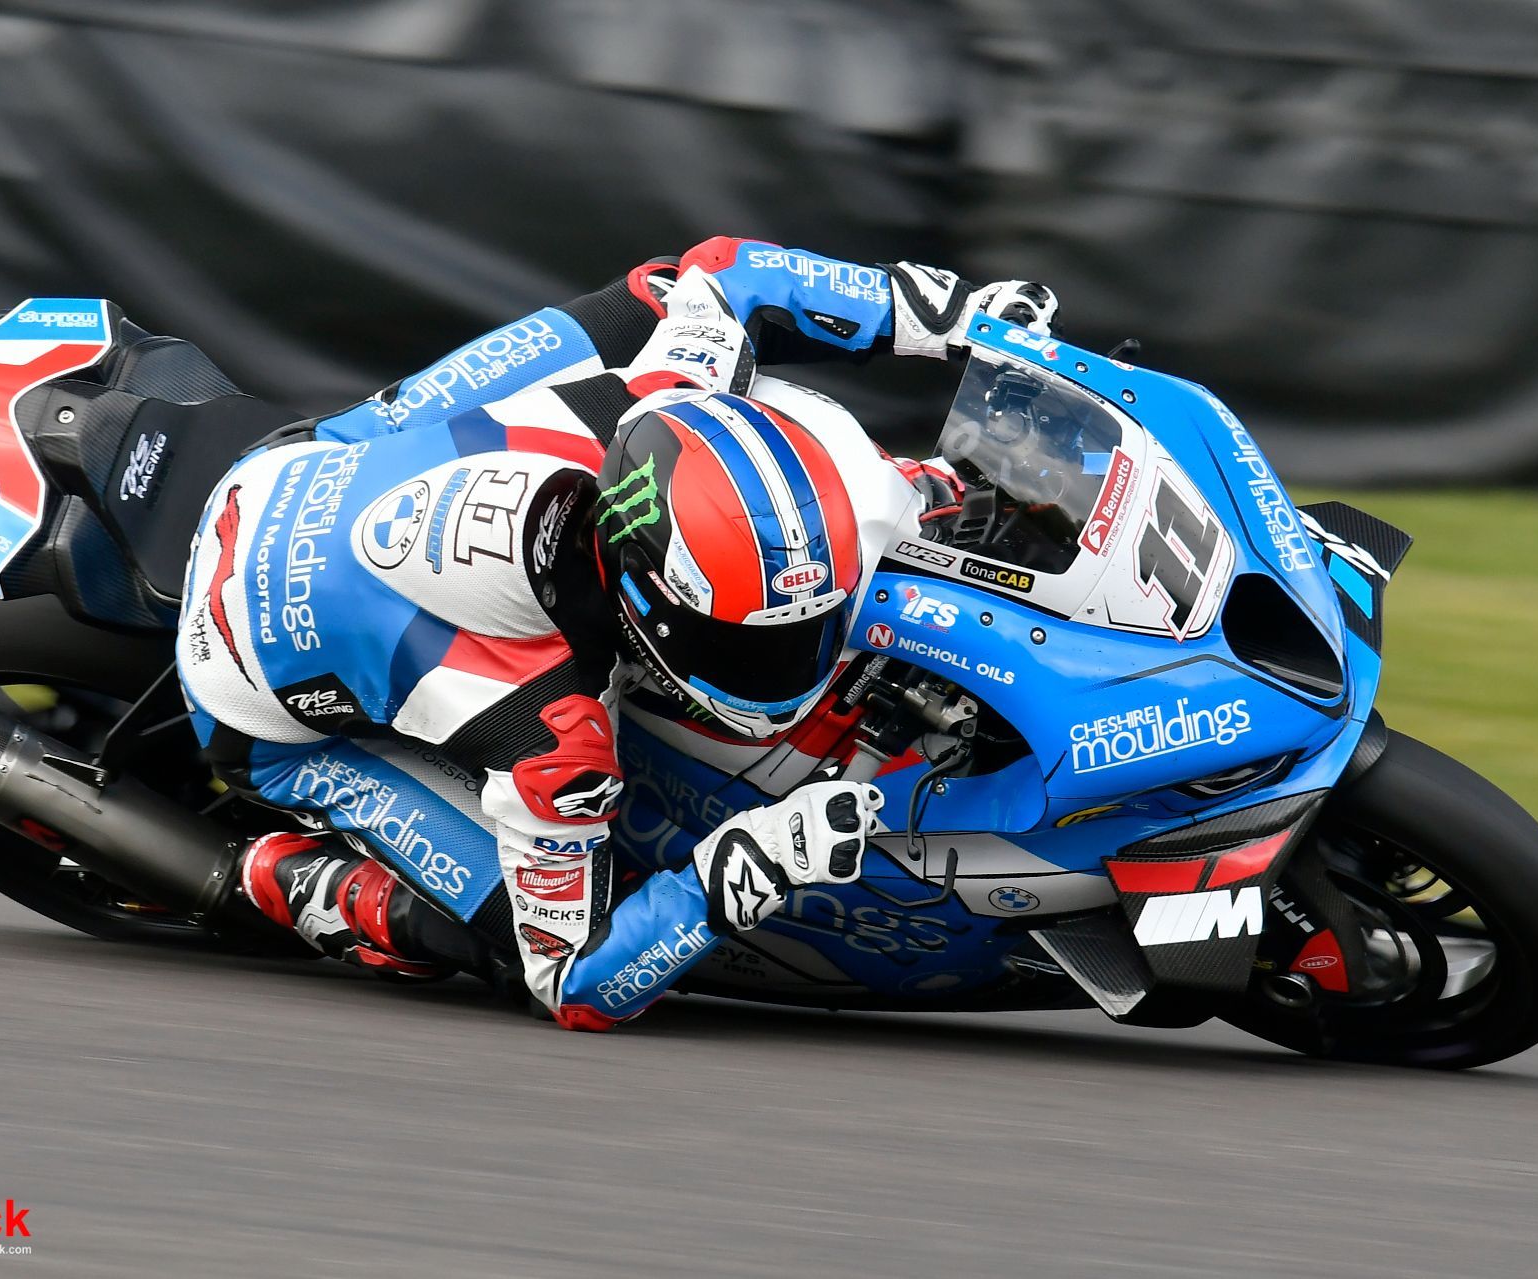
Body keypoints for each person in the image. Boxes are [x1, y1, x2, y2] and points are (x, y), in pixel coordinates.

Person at [176, 237, 1057, 1030]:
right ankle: (285, 876)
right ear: (648, 601)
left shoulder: (669, 389)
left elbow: (728, 271)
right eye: (746, 646)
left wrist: (955, 319)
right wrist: (750, 862)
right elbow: (575, 982)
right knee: (501, 945)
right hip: (250, 696)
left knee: (652, 291)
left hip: (305, 462)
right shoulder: (549, 728)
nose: (787, 665)